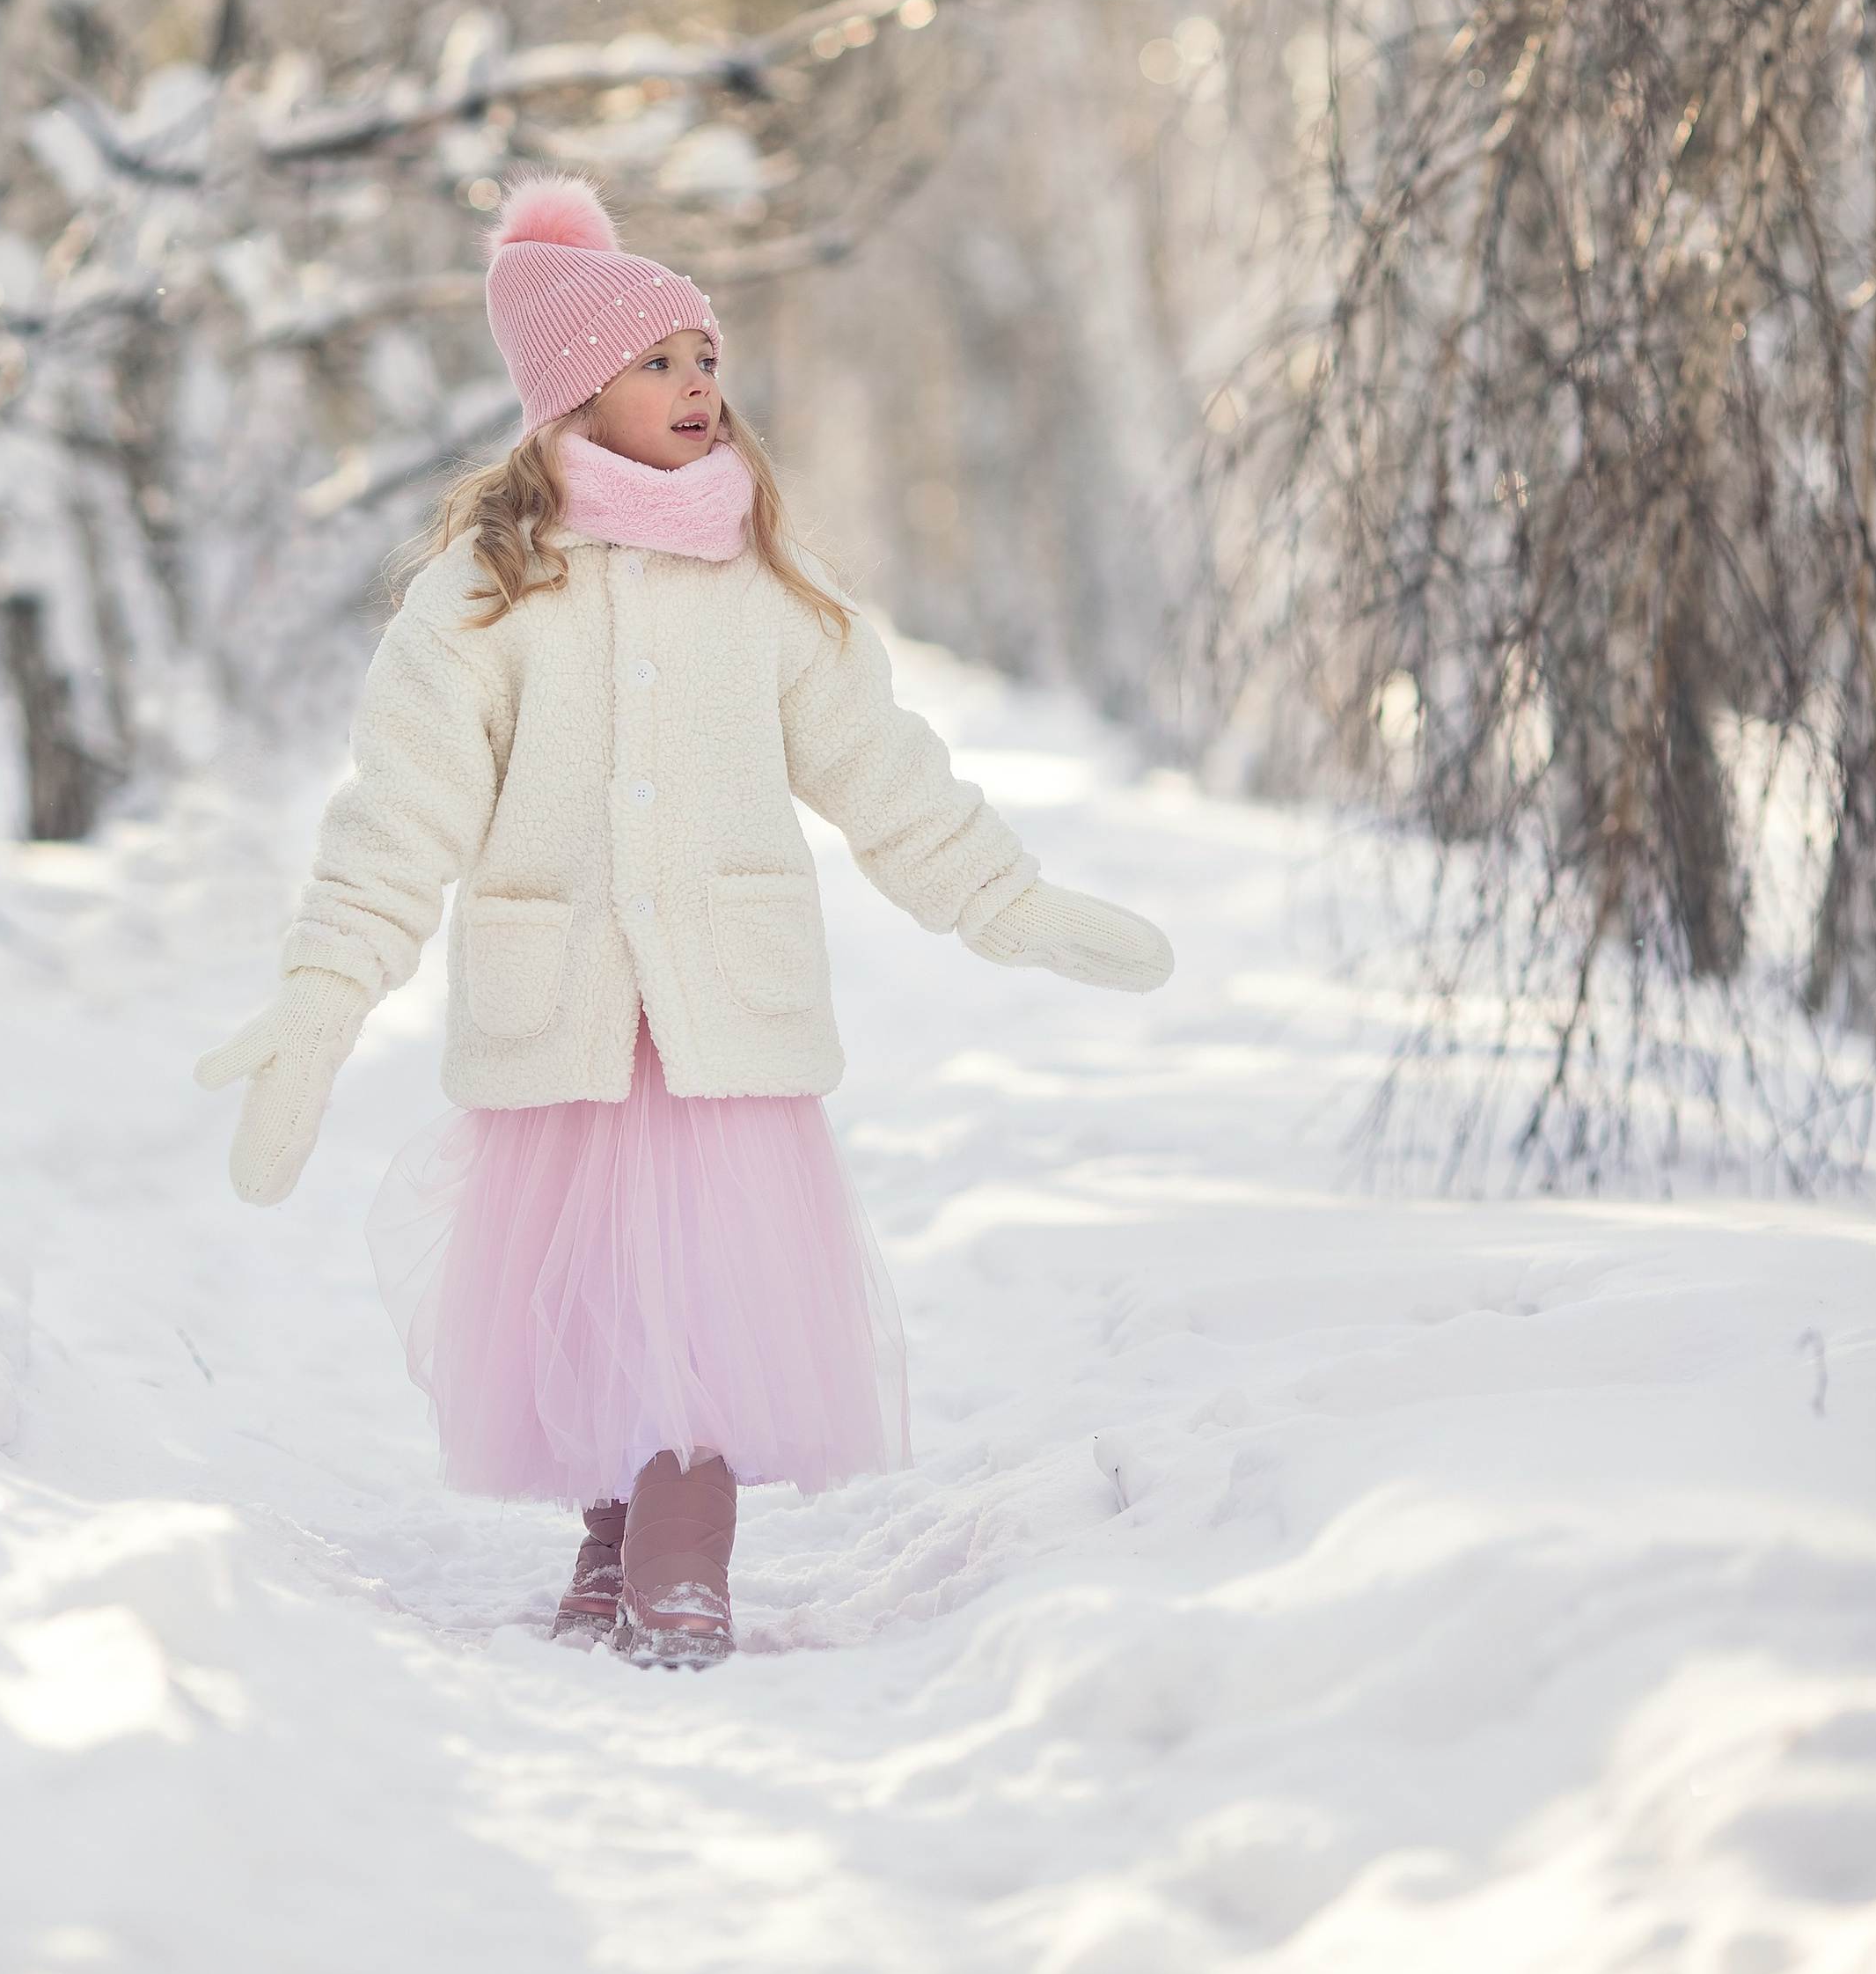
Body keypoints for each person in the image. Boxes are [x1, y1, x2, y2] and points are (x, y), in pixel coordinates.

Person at [194, 176, 1173, 1665]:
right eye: (658, 363)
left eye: (705, 357)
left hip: (726, 1035)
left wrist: (1009, 904)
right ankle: (611, 1544)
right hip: (568, 1025)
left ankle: (677, 1584)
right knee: (601, 1314)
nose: (699, 385)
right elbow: (400, 819)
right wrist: (325, 999)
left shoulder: (766, 580)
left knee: (700, 1329)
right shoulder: (482, 597)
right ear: (576, 391)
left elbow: (885, 776)